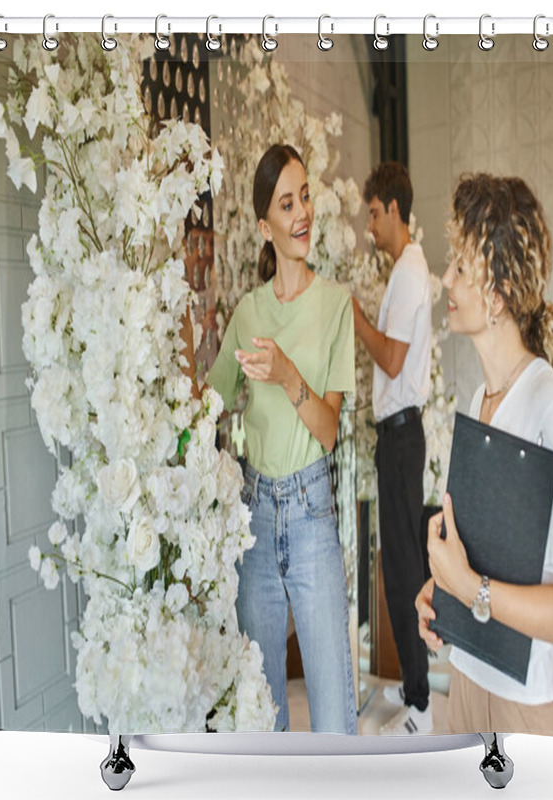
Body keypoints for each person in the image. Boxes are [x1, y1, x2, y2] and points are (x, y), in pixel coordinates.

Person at [415, 174, 553, 736]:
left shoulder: (550, 412)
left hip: (524, 708)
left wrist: (471, 589)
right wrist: (440, 592)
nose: (445, 279)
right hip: (467, 683)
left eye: (461, 269)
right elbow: (482, 562)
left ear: (496, 297)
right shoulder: (480, 400)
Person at [205, 144, 357, 734]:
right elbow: (211, 403)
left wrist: (289, 374)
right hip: (256, 517)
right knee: (261, 716)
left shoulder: (336, 304)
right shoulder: (248, 312)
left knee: (334, 717)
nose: (302, 215)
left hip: (313, 512)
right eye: (286, 204)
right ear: (265, 226)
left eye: (305, 198)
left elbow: (329, 431)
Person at [352, 162, 433, 735]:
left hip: (403, 436)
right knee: (399, 571)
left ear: (394, 210)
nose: (370, 227)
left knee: (405, 574)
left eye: (374, 214)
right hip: (396, 435)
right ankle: (413, 690)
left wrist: (354, 317)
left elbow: (393, 359)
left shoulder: (408, 272)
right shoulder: (405, 270)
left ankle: (423, 708)